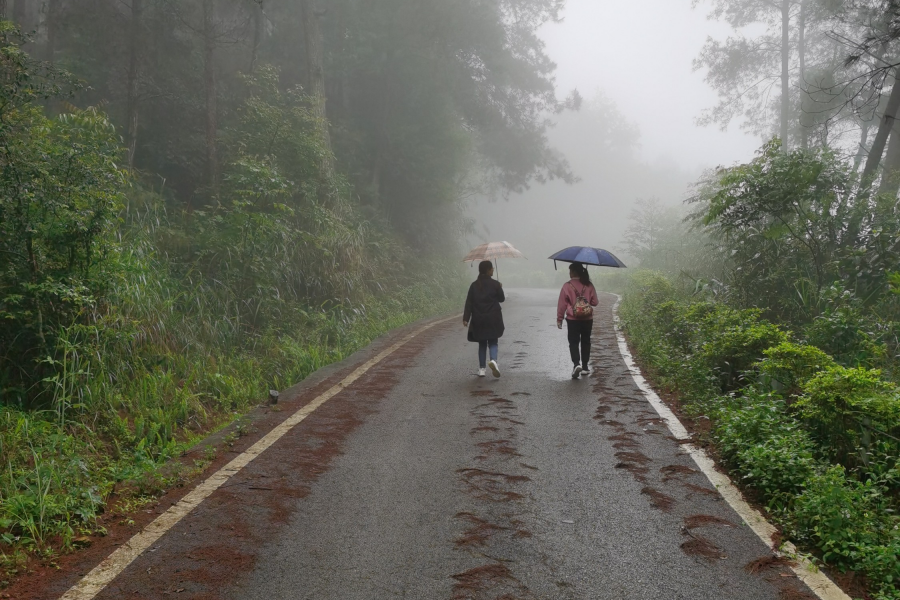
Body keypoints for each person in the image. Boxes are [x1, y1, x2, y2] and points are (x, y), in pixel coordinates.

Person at [557, 262, 599, 379]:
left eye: (570, 271)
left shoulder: (567, 286)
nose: (569, 273)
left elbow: (562, 304)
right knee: (586, 341)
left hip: (573, 319)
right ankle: (585, 367)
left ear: (574, 272)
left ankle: (576, 364)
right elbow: (595, 302)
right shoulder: (589, 285)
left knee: (573, 342)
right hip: (587, 319)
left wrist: (559, 319)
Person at [463, 260, 505, 377]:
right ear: (488, 270)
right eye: (492, 268)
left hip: (479, 319)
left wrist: (466, 318)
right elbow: (501, 299)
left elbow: (469, 303)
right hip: (493, 319)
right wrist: (499, 287)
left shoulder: (474, 285)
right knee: (493, 342)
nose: (493, 270)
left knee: (482, 343)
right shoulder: (495, 284)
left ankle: (482, 369)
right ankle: (493, 361)